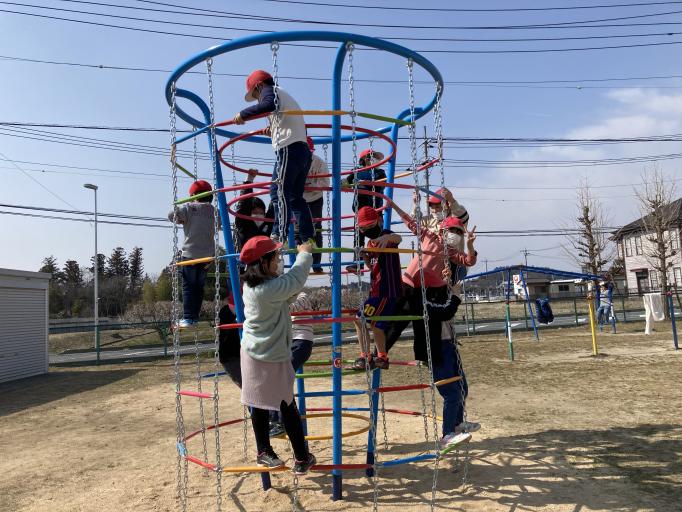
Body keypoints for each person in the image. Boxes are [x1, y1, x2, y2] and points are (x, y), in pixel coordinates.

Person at [239, 235, 316, 474]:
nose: (279, 260)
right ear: (263, 263)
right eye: (275, 257)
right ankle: (298, 458)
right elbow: (293, 280)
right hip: (268, 355)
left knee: (261, 403)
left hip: (255, 352)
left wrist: (291, 290)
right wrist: (304, 253)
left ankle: (269, 452)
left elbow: (286, 293)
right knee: (283, 405)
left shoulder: (254, 286)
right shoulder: (265, 290)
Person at [383, 198, 477, 368]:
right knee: (397, 320)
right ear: (442, 230)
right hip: (409, 283)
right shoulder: (429, 236)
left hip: (426, 289)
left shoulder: (453, 253)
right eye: (452, 230)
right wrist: (393, 205)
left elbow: (469, 261)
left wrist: (469, 245)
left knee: (424, 322)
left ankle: (425, 357)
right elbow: (409, 221)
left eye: (458, 232)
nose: (455, 234)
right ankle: (380, 353)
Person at [234, 70, 314, 245]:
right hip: (302, 151)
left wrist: (243, 114)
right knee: (294, 197)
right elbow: (291, 123)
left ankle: (279, 233)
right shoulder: (284, 96)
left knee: (277, 192)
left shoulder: (270, 90)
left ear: (259, 86)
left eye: (256, 95)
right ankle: (308, 237)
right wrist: (273, 132)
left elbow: (268, 104)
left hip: (289, 149)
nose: (258, 99)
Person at [350, 206, 402, 371]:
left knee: (359, 318)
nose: (367, 230)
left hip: (386, 290)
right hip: (378, 289)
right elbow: (373, 268)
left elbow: (398, 238)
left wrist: (387, 237)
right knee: (376, 325)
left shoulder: (386, 235)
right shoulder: (370, 242)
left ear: (378, 222)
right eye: (363, 228)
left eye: (370, 226)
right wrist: (365, 256)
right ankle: (382, 357)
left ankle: (365, 356)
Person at [168, 180, 219, 328]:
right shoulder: (214, 211)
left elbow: (171, 215)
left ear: (193, 196)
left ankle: (189, 318)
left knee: (188, 286)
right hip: (207, 256)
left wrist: (183, 213)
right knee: (198, 287)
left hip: (190, 255)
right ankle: (194, 316)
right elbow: (220, 223)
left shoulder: (189, 208)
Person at [268, 290, 315, 437]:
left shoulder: (302, 296)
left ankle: (281, 422)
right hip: (287, 343)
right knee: (274, 378)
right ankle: (276, 420)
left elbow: (290, 308)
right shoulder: (283, 298)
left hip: (301, 342)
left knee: (281, 377)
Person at [434, 318, 481, 447]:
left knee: (462, 389)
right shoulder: (428, 301)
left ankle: (457, 424)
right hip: (437, 347)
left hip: (450, 344)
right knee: (452, 394)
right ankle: (447, 434)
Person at [343, 148, 387, 271]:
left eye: (376, 157)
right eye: (371, 157)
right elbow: (345, 181)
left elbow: (381, 184)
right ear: (364, 160)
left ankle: (381, 262)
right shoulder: (356, 172)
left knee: (378, 236)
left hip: (375, 212)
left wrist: (362, 183)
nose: (375, 159)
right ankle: (358, 263)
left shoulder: (380, 173)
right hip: (361, 213)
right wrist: (344, 184)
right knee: (358, 238)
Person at [303, 137, 330, 273]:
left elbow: (325, 183)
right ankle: (301, 263)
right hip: (299, 199)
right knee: (299, 230)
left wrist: (311, 186)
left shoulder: (319, 162)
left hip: (315, 198)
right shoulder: (292, 162)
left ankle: (316, 263)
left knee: (316, 230)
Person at [234, 169, 274, 252]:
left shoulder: (267, 223)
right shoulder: (243, 224)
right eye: (255, 213)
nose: (258, 215)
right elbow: (244, 205)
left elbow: (274, 208)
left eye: (261, 213)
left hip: (262, 260)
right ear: (249, 213)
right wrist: (249, 180)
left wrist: (275, 186)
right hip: (244, 260)